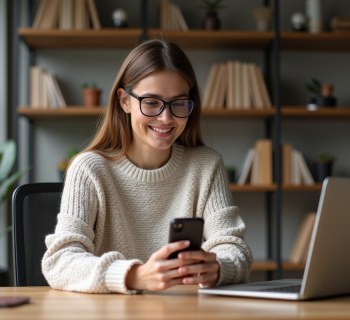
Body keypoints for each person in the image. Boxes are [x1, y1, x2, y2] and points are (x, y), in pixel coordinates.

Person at [42, 39, 253, 294]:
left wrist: (219, 267)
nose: (166, 117)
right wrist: (135, 276)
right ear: (124, 101)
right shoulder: (88, 169)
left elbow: (235, 249)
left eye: (178, 103)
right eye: (151, 102)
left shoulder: (207, 165)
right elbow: (59, 262)